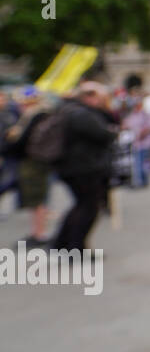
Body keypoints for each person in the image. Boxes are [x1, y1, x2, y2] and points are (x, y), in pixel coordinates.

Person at [47, 81, 118, 254]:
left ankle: (62, 243)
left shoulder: (69, 110)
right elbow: (104, 134)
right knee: (88, 208)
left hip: (74, 167)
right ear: (90, 96)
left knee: (80, 205)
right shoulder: (82, 114)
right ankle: (75, 248)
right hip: (84, 168)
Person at [3, 89, 55, 244]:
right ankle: (38, 232)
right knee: (37, 199)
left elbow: (22, 141)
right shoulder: (39, 115)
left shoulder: (36, 116)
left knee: (36, 199)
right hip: (36, 161)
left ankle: (39, 234)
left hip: (33, 162)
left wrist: (9, 143)